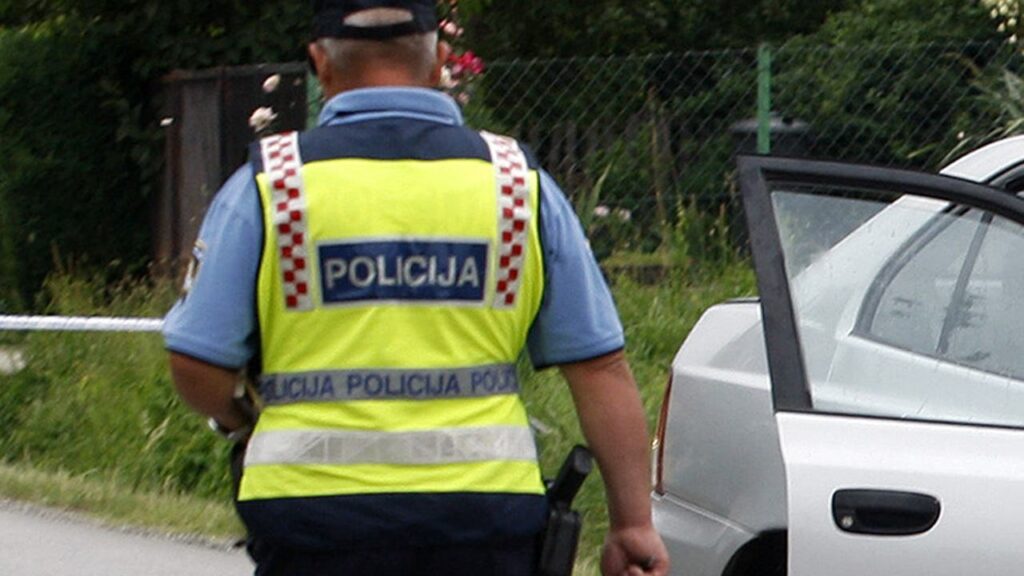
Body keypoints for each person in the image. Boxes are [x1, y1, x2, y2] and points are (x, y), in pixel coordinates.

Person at [163, 1, 669, 574]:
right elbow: (600, 368)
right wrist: (631, 524)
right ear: (440, 62)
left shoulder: (270, 185)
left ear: (320, 64)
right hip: (484, 521)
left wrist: (242, 420)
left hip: (314, 523)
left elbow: (196, 362)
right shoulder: (517, 184)